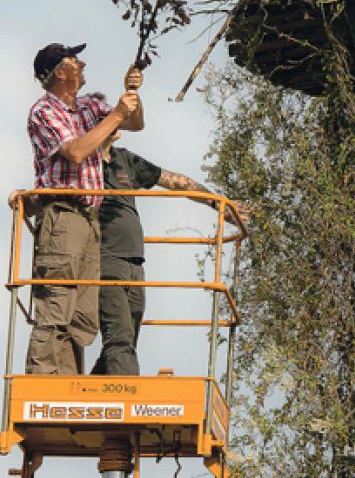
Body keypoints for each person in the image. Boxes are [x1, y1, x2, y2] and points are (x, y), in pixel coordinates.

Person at [13, 43, 144, 375]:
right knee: (57, 303)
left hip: (89, 220)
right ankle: (43, 382)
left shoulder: (87, 106)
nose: (82, 64)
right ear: (60, 72)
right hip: (63, 216)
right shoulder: (44, 111)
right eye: (75, 60)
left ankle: (67, 383)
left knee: (82, 317)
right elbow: (75, 151)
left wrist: (132, 94)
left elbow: (134, 124)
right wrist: (117, 113)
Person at [89, 124, 248, 375]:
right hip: (105, 258)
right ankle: (130, 393)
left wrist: (219, 205)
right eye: (105, 117)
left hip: (135, 262)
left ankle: (90, 391)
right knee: (119, 337)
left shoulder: (125, 159)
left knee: (125, 341)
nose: (116, 121)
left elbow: (176, 182)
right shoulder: (83, 163)